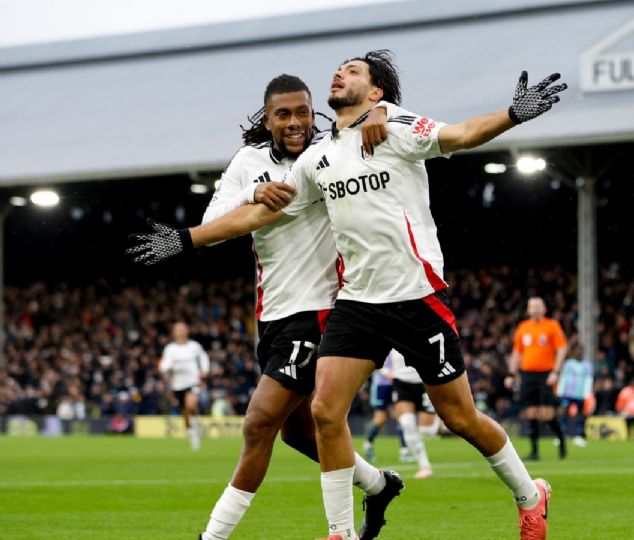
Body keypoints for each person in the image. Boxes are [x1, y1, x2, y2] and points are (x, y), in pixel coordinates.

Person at [128, 50, 566, 540]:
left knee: (460, 417)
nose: (341, 72)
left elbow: (462, 135)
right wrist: (187, 238)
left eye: (354, 70)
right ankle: (339, 532)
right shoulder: (316, 159)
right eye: (339, 69)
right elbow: (257, 216)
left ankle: (531, 496)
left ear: (376, 92)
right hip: (357, 302)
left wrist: (513, 114)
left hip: (418, 295)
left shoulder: (396, 127)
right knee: (323, 412)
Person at [134, 74, 402, 540]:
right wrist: (251, 193)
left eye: (303, 111)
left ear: (314, 111)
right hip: (272, 318)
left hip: (322, 312)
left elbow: (381, 122)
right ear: (267, 118)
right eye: (284, 114)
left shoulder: (332, 152)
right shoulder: (247, 162)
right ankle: (378, 485)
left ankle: (211, 537)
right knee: (297, 434)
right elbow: (213, 223)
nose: (296, 122)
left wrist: (381, 111)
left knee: (258, 422)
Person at [506, 297, 569, 460]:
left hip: (546, 373)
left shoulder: (552, 325)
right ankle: (534, 451)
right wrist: (512, 374)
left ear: (544, 309)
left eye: (537, 307)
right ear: (528, 310)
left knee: (547, 413)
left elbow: (561, 349)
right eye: (532, 307)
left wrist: (556, 371)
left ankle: (561, 440)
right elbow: (517, 352)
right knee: (531, 412)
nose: (534, 310)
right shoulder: (523, 327)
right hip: (528, 374)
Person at [159, 321, 210, 450]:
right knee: (185, 412)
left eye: (183, 329)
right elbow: (163, 366)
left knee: (191, 404)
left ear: (187, 331)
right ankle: (193, 435)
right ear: (174, 333)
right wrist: (170, 366)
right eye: (178, 330)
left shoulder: (194, 346)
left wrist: (204, 370)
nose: (180, 332)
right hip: (178, 384)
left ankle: (197, 425)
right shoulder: (170, 349)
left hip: (193, 382)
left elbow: (203, 357)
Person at [387, 349, 436, 479]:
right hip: (401, 383)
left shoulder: (422, 329)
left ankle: (440, 417)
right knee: (407, 423)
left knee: (427, 431)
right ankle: (425, 466)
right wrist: (384, 371)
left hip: (425, 381)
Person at [556, 346, 593, 447]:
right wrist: (560, 391)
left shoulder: (587, 365)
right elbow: (563, 377)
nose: (579, 354)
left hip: (580, 394)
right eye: (577, 352)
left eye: (580, 352)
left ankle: (578, 435)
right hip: (568, 393)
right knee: (564, 412)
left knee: (580, 414)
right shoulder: (568, 364)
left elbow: (589, 380)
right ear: (574, 352)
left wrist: (587, 393)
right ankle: (562, 435)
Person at [363, 364, 396, 463]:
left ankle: (405, 451)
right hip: (381, 386)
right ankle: (368, 445)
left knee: (401, 417)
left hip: (397, 383)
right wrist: (384, 371)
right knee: (381, 418)